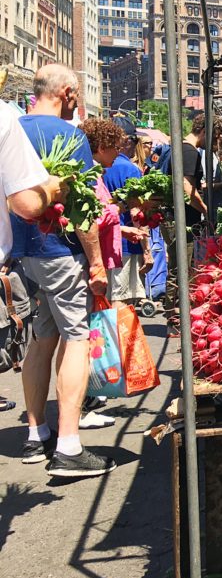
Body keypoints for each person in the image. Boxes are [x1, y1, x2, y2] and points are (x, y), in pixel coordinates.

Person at [15, 63, 115, 477]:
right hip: (61, 251)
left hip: (23, 254)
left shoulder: (13, 130)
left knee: (40, 340)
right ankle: (70, 447)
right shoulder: (68, 135)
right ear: (68, 92)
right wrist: (95, 263)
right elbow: (83, 209)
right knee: (77, 339)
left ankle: (36, 436)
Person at [0, 101, 66, 412]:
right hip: (51, 258)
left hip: (29, 259)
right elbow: (26, 204)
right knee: (72, 337)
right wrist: (51, 188)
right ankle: (67, 445)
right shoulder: (3, 116)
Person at [80, 118, 153, 307]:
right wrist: (126, 205)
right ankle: (116, 337)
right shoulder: (89, 176)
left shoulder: (96, 171)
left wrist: (122, 229)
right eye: (115, 147)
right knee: (119, 301)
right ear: (103, 147)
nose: (118, 152)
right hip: (100, 254)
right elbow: (95, 218)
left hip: (106, 249)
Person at [162, 113, 209, 334]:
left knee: (180, 266)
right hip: (181, 220)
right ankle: (175, 321)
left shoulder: (182, 149)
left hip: (178, 219)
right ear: (204, 131)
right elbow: (186, 188)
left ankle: (175, 317)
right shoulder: (189, 152)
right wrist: (206, 211)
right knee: (180, 269)